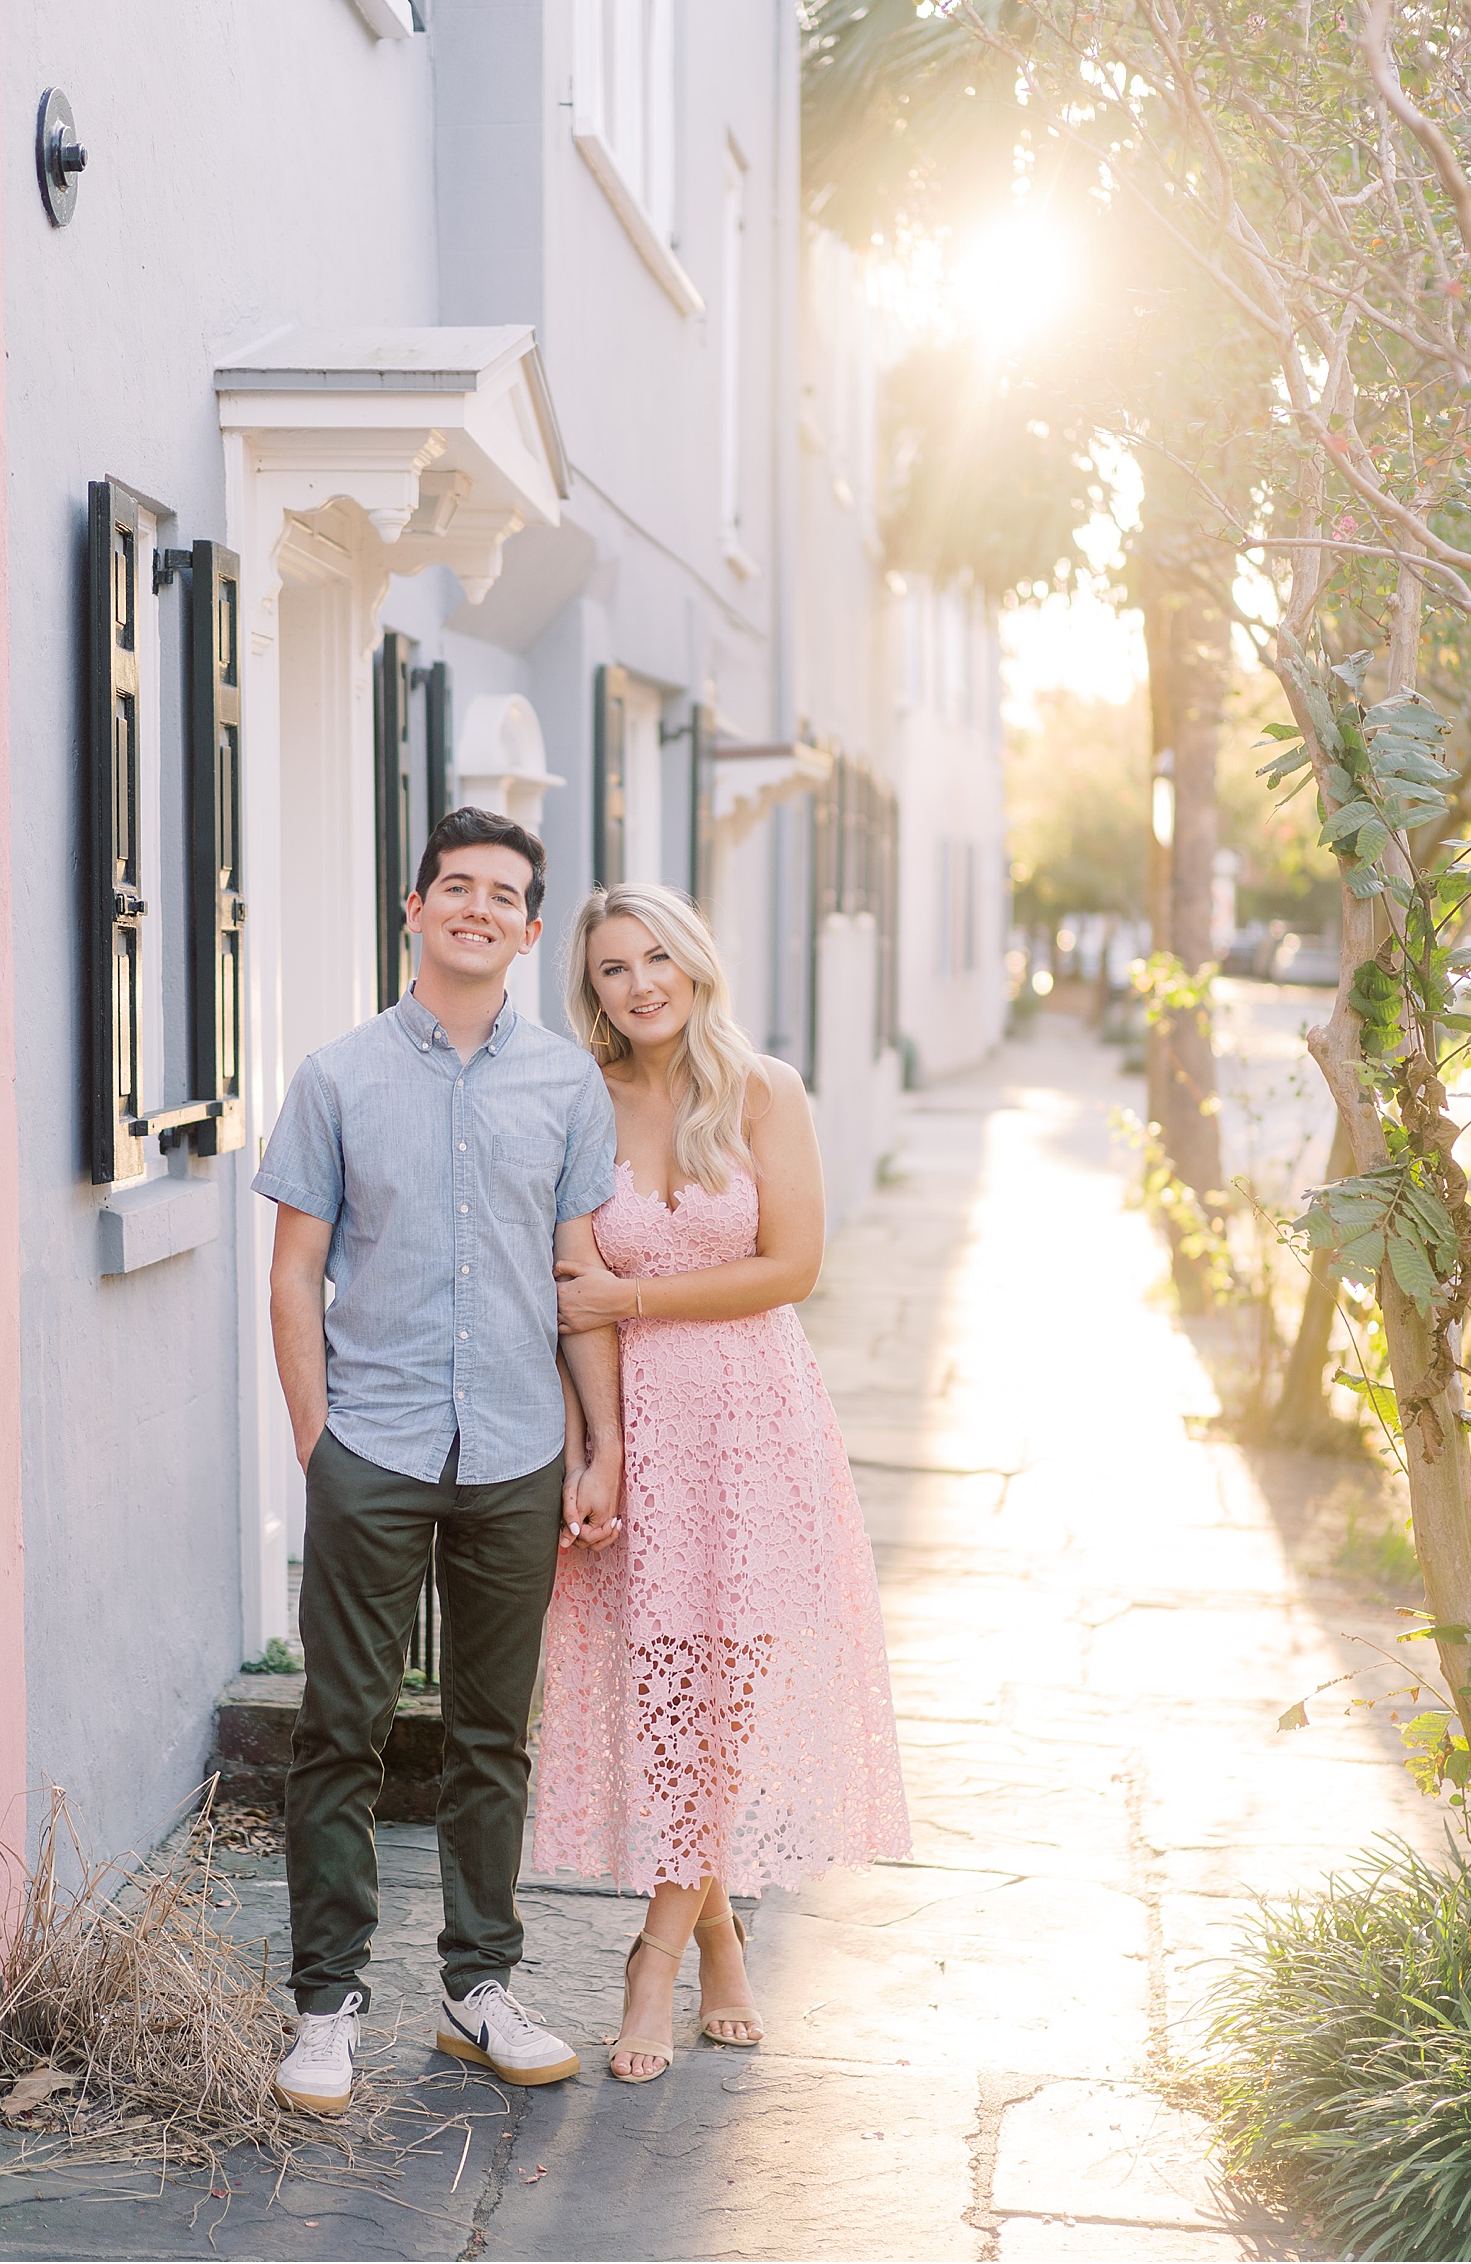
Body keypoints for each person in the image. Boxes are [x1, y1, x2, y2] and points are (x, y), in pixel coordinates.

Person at [251, 809, 624, 2115]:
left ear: (529, 931)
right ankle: (326, 2001)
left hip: (520, 1450)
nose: (475, 906)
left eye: (502, 893)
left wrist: (602, 1443)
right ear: (414, 909)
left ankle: (479, 1985)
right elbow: (295, 1273)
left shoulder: (566, 1086)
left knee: (488, 1734)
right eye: (452, 885)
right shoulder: (338, 1076)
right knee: (338, 1730)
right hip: (376, 1443)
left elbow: (578, 1274)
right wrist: (320, 1444)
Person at [534, 882, 911, 2083]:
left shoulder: (762, 1089)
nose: (638, 983)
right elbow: (570, 1288)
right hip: (637, 1425)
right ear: (587, 989)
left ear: (694, 962)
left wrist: (632, 1297)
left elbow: (789, 1265)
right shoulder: (576, 1102)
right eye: (610, 968)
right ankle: (723, 1942)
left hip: (755, 1425)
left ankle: (657, 1956)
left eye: (655, 957)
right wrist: (601, 1448)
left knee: (727, 1694)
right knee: (662, 1694)